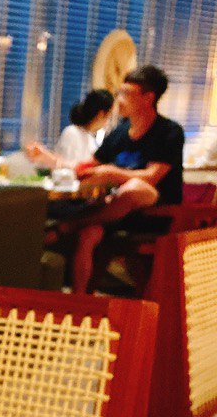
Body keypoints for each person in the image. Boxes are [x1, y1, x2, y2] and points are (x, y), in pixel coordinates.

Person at [39, 65, 183, 293]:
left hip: (152, 214)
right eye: (119, 92)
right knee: (88, 235)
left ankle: (67, 226)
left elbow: (152, 177)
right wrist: (50, 159)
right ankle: (80, 301)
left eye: (126, 93)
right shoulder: (120, 132)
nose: (119, 99)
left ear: (148, 98)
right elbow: (89, 166)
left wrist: (112, 174)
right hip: (112, 210)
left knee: (135, 187)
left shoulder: (169, 131)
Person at [26, 89, 114, 167]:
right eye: (109, 117)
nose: (108, 122)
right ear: (101, 114)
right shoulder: (72, 133)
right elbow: (68, 170)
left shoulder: (90, 138)